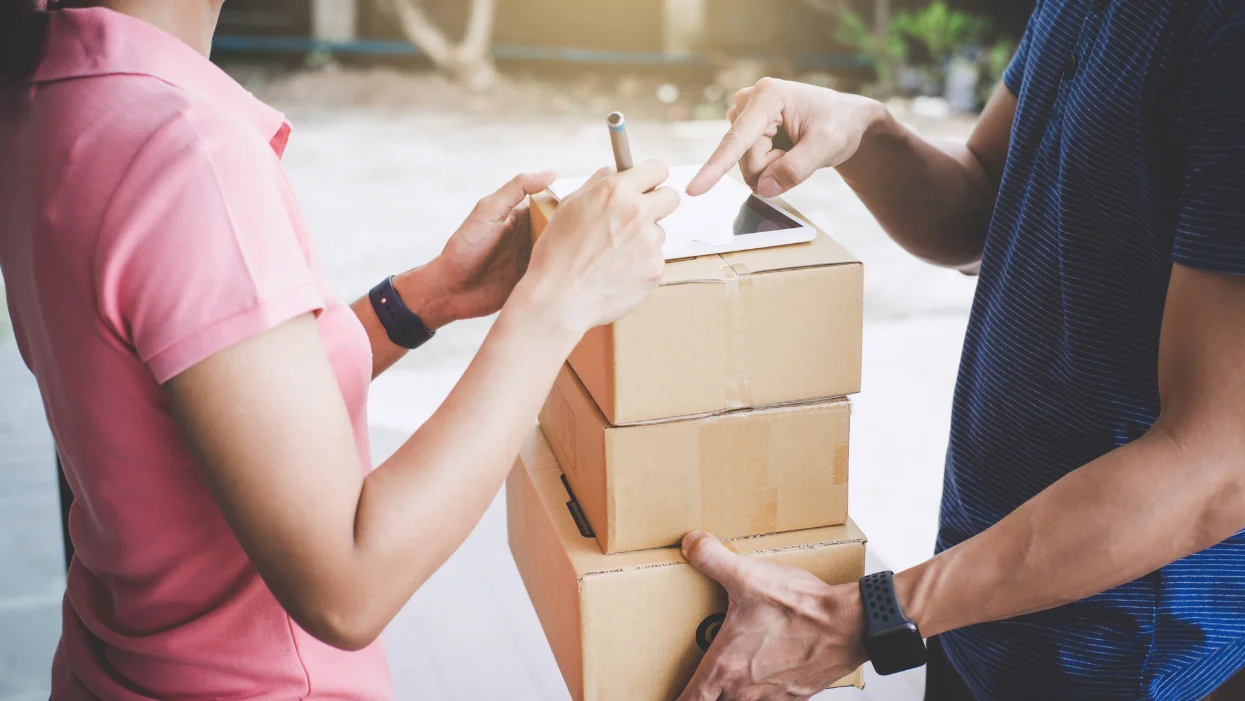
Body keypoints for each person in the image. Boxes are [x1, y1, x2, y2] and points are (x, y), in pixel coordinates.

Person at [0, 1, 678, 698]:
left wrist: (428, 298)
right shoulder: (185, 154)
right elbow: (346, 585)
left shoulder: (52, 92)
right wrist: (555, 302)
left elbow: (212, 393)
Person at [676, 1, 1245, 700]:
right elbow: (980, 203)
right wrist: (866, 130)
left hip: (1131, 658)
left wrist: (861, 617)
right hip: (979, 601)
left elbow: (1218, 463)